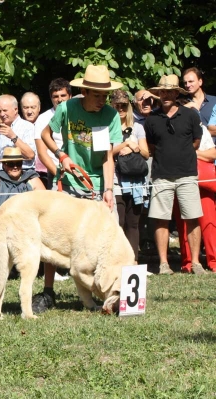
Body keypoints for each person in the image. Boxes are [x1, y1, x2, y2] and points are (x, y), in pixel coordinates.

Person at [39, 64, 122, 313]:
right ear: (84, 92)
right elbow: (45, 134)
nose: (102, 100)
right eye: (97, 95)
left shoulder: (111, 115)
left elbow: (108, 156)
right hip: (68, 182)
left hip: (98, 184)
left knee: (110, 239)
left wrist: (108, 190)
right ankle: (48, 292)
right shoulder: (66, 108)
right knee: (52, 235)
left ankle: (110, 292)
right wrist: (61, 155)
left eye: (105, 95)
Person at [145, 75, 203, 275]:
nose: (165, 95)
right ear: (158, 94)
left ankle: (195, 263)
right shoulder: (151, 119)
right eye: (162, 91)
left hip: (187, 173)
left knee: (193, 217)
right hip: (161, 175)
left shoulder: (191, 115)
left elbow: (196, 142)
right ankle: (164, 264)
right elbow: (152, 146)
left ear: (177, 93)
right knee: (161, 219)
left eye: (170, 91)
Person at [0, 147, 45, 285]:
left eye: (18, 164)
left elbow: (45, 202)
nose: (15, 167)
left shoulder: (32, 179)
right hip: (0, 219)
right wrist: (0, 217)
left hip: (28, 221)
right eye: (10, 164)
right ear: (4, 165)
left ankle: (45, 271)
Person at [110, 89, 149, 263]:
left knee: (133, 224)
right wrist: (123, 145)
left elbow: (147, 153)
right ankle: (117, 261)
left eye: (123, 105)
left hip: (136, 182)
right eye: (117, 105)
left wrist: (134, 147)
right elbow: (106, 152)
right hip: (116, 180)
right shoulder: (107, 127)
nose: (120, 109)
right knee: (118, 223)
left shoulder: (138, 127)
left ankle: (133, 261)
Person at [173, 124, 216, 272]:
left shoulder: (201, 129)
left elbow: (213, 154)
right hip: (181, 181)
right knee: (184, 224)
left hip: (204, 184)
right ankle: (188, 262)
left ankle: (213, 262)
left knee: (209, 222)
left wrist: (194, 153)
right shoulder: (171, 127)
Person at [35, 78, 72, 189]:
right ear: (51, 98)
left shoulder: (79, 115)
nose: (59, 100)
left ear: (70, 96)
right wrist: (58, 173)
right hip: (57, 172)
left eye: (63, 95)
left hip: (80, 170)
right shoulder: (43, 119)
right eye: (55, 96)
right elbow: (42, 153)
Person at [0, 95, 36, 170]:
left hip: (23, 174)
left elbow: (30, 155)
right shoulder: (0, 130)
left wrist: (13, 137)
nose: (2, 114)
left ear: (15, 109)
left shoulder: (28, 127)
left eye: (5, 110)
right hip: (2, 174)